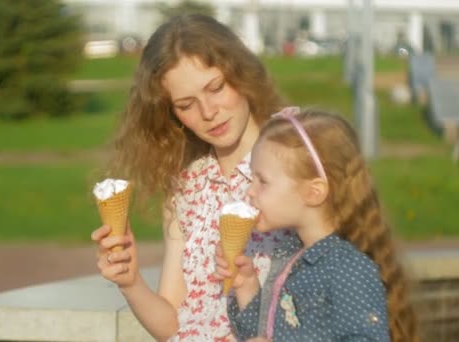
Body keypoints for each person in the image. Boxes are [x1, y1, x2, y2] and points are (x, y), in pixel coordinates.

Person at [91, 14, 290, 341]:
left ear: (240, 73)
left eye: (216, 88)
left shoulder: (292, 161)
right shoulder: (187, 187)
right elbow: (173, 324)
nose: (208, 112)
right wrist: (130, 282)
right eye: (186, 104)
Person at [214, 107, 418, 341]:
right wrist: (246, 286)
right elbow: (262, 334)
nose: (250, 191)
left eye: (263, 181)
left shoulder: (347, 269)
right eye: (252, 178)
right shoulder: (291, 255)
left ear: (314, 192)